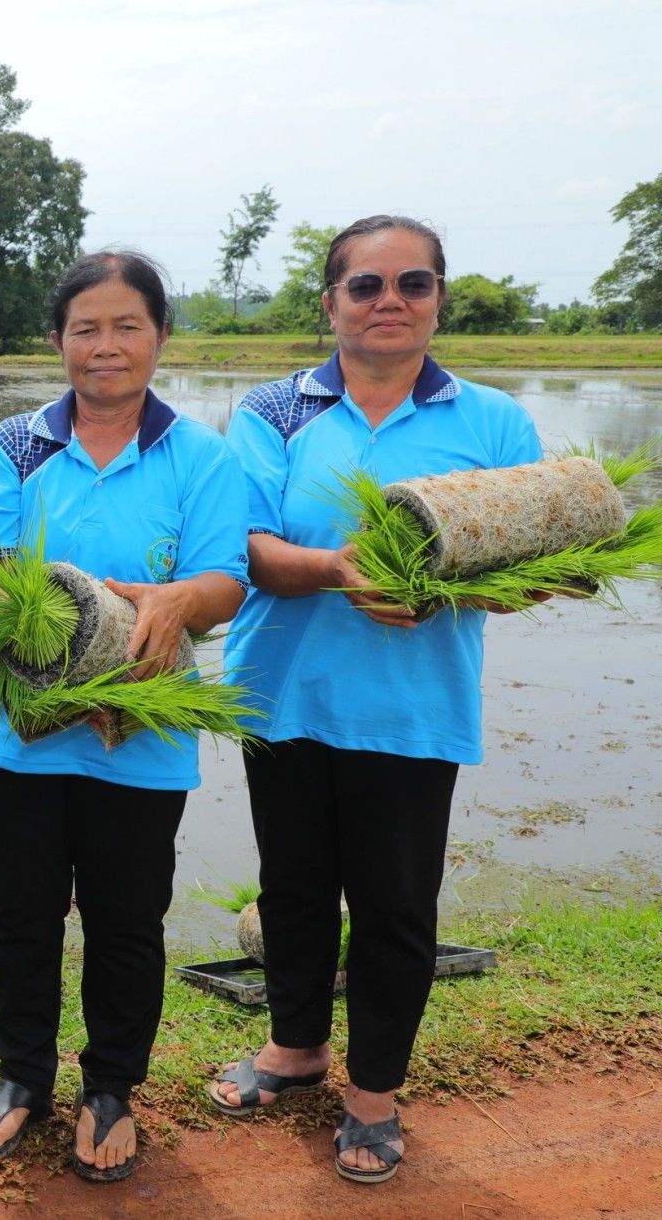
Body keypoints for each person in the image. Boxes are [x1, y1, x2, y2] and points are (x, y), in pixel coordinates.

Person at [209, 215, 542, 1185]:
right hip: (281, 696)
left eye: (410, 284)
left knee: (396, 907)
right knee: (293, 888)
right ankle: (293, 1048)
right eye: (364, 286)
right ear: (329, 303)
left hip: (411, 705)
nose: (387, 301)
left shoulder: (491, 423)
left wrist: (438, 586)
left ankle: (371, 1095)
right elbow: (249, 548)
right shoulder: (273, 409)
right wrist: (338, 568)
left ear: (438, 298)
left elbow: (531, 569)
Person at [0, 251, 248, 1183]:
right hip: (16, 731)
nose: (105, 346)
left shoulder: (202, 455)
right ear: (58, 340)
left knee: (128, 919)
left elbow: (224, 582)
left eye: (127, 326)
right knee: (23, 914)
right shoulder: (18, 444)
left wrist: (173, 603)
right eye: (86, 328)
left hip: (147, 734)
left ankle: (112, 1086)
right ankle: (20, 1076)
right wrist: (58, 668)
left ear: (160, 336)